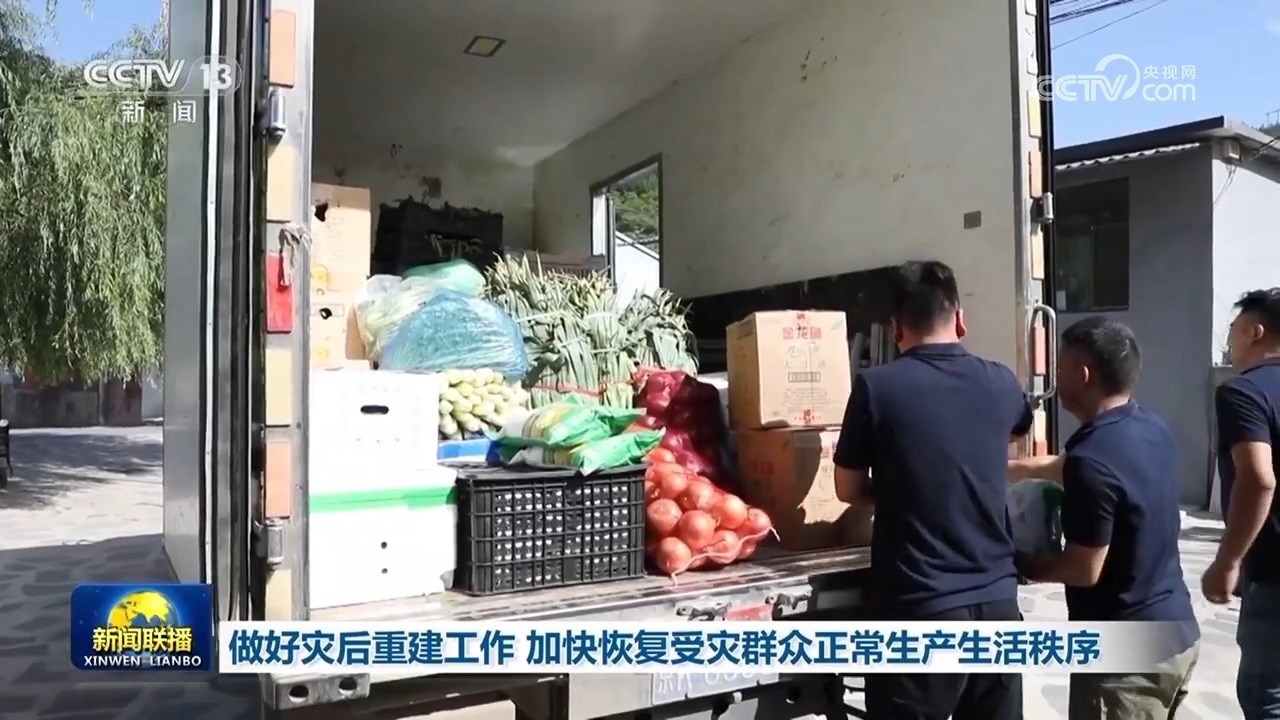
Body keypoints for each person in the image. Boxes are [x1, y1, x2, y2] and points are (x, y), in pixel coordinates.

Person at [833, 259, 1031, 720]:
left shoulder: (877, 388)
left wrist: (903, 486)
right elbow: (1017, 433)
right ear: (960, 318)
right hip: (999, 609)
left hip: (920, 611)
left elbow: (846, 488)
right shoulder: (1001, 381)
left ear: (895, 327)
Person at [1010, 316, 1199, 719]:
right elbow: (1063, 467)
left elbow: (1083, 570)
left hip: (1125, 660)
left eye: (1060, 368)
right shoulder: (1148, 427)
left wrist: (1017, 563)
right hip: (1176, 632)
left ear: (1083, 375)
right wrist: (997, 471)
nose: (1056, 379)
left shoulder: (1091, 460)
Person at [1202, 288, 1280, 720]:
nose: (1230, 341)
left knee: (1266, 695)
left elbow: (1258, 479)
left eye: (1233, 330)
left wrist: (1228, 560)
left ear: (1255, 332)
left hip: (1273, 572)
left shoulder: (1244, 392)